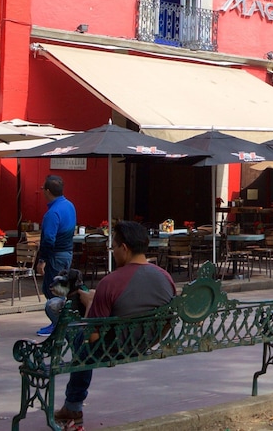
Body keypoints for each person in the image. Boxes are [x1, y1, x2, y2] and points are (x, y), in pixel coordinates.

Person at [53, 221, 176, 429]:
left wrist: (91, 302)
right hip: (145, 342)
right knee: (79, 314)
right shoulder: (165, 277)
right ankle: (73, 403)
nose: (113, 252)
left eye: (114, 247)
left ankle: (73, 404)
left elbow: (91, 337)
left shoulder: (110, 282)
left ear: (124, 248)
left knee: (55, 308)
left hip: (111, 348)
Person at [36, 175, 77, 337]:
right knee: (62, 288)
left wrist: (42, 261)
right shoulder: (70, 206)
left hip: (55, 255)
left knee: (51, 289)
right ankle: (60, 322)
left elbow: (48, 240)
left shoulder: (52, 213)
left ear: (47, 191)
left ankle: (57, 323)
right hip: (67, 253)